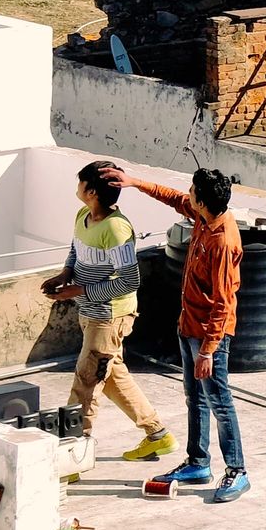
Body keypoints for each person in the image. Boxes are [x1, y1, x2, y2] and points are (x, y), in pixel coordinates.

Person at [128, 166, 248, 503]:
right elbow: (172, 197)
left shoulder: (222, 240)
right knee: (195, 398)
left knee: (220, 403)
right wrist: (135, 182)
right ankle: (198, 462)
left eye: (193, 191)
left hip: (210, 337)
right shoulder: (202, 217)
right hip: (188, 327)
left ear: (204, 201)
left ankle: (237, 470)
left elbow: (223, 302)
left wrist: (209, 350)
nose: (188, 194)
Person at [43, 160, 172, 472]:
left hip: (109, 318)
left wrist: (77, 291)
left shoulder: (116, 229)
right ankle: (157, 434)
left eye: (80, 183)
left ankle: (71, 459)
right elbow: (76, 248)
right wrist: (65, 274)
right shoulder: (83, 215)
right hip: (91, 312)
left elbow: (129, 281)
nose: (76, 188)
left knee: (85, 383)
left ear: (90, 191)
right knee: (112, 378)